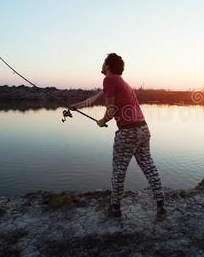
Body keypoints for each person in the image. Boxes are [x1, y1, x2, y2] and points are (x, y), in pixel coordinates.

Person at [70, 53, 166, 218]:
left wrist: (102, 121)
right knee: (149, 166)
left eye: (103, 62)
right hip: (143, 129)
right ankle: (161, 205)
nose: (102, 65)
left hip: (127, 132)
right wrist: (75, 106)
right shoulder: (120, 82)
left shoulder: (109, 80)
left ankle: (115, 208)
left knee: (119, 170)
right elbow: (94, 99)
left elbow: (111, 110)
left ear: (107, 66)